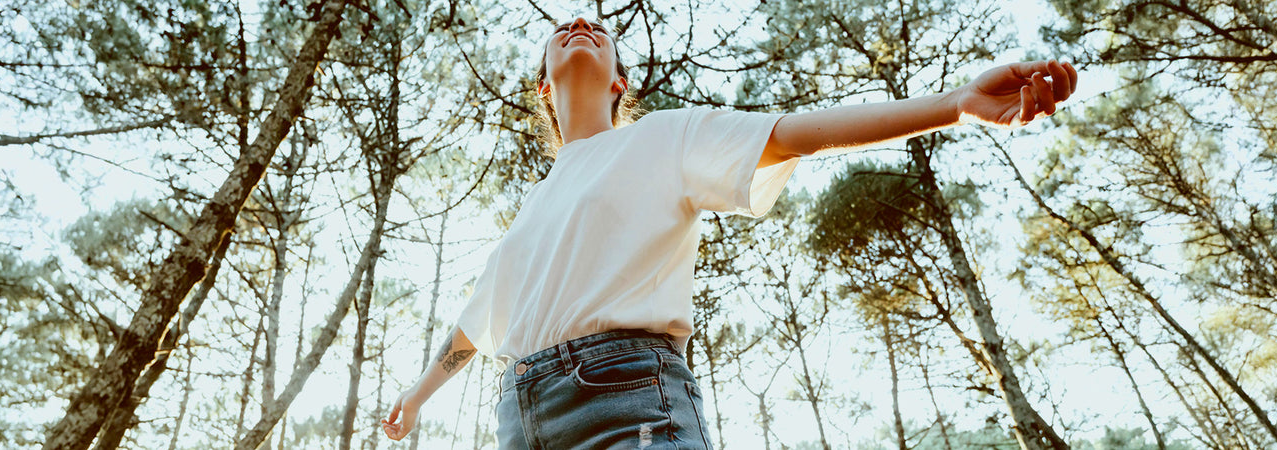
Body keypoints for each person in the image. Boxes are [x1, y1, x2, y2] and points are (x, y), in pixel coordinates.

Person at [382, 16, 1077, 449]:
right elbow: (475, 328)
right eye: (563, 27)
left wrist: (956, 105)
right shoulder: (532, 210)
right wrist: (414, 399)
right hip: (522, 418)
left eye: (599, 28)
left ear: (620, 80)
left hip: (628, 397)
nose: (581, 23)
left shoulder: (665, 138)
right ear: (543, 88)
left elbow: (805, 133)